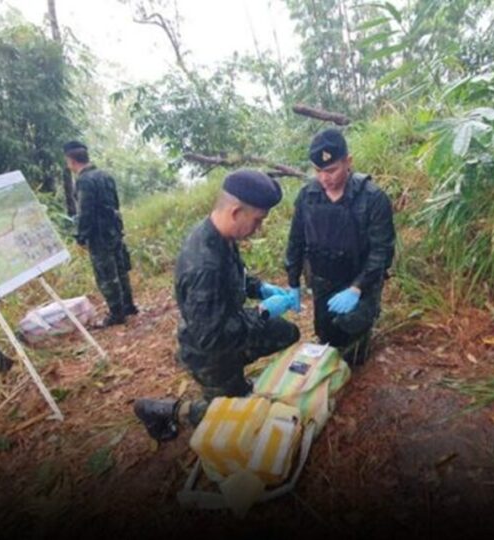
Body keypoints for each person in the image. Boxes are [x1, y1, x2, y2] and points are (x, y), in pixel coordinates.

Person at [133, 169, 300, 441]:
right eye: (257, 221)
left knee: (287, 332)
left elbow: (235, 277)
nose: (259, 228)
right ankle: (163, 410)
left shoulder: (221, 234)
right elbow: (212, 337)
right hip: (209, 350)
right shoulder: (203, 265)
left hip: (229, 327)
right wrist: (262, 312)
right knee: (230, 416)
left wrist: (260, 288)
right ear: (235, 212)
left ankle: (238, 386)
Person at [285, 128, 395, 366]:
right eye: (318, 171)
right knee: (327, 337)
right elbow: (296, 240)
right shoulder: (308, 196)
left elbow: (381, 251)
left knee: (355, 346)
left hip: (359, 279)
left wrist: (357, 288)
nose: (325, 178)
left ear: (348, 161)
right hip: (323, 279)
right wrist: (293, 281)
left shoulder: (373, 198)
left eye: (331, 170)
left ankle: (363, 331)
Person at [63, 141, 137, 328]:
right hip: (114, 230)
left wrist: (81, 236)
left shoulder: (84, 181)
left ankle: (116, 314)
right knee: (120, 270)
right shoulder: (105, 175)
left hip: (99, 235)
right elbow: (116, 204)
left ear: (72, 160)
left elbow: (85, 212)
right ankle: (128, 307)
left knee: (106, 275)